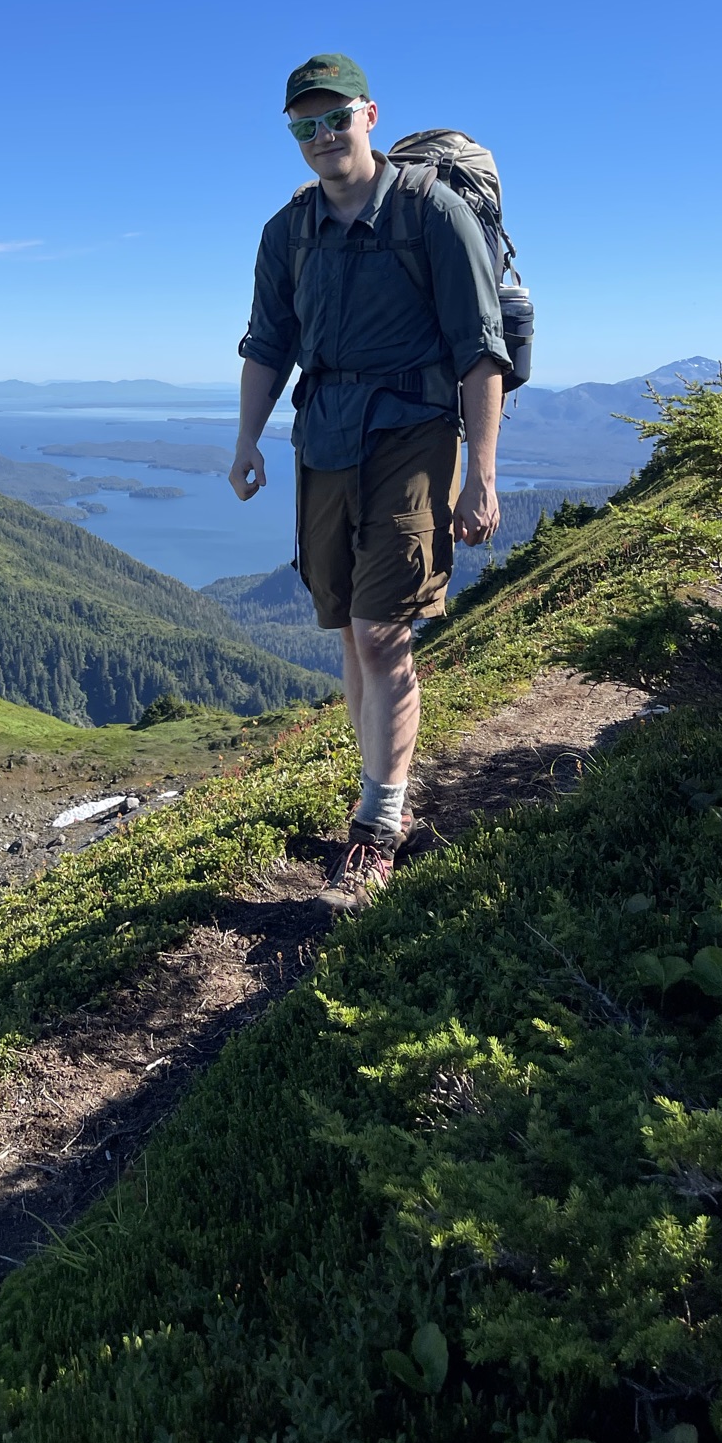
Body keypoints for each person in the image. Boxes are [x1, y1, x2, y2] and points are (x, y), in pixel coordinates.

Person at [229, 52, 509, 911]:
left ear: (369, 115)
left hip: (413, 438)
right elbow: (268, 344)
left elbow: (479, 350)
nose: (320, 137)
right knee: (350, 633)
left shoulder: (434, 214)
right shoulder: (289, 231)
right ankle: (379, 787)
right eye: (302, 125)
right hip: (324, 441)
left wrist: (482, 474)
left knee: (382, 634)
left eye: (333, 118)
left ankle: (378, 830)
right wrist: (248, 438)